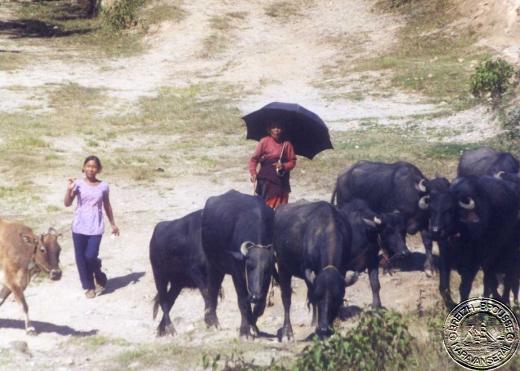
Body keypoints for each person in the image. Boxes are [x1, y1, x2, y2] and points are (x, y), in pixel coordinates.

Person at [64, 155, 120, 298]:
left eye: (94, 166)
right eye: (88, 166)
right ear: (84, 167)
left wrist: (113, 223)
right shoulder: (77, 184)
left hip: (96, 227)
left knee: (90, 256)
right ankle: (88, 286)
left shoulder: (103, 186)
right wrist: (69, 190)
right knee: (80, 258)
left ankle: (99, 275)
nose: (91, 169)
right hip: (79, 226)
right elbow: (67, 203)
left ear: (98, 169)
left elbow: (107, 205)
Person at [248, 121, 297, 208]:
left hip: (281, 182)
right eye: (274, 127)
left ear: (282, 130)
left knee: (279, 210)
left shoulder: (287, 144)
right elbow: (254, 159)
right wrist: (253, 173)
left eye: (279, 127)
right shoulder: (264, 141)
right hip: (265, 181)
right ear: (269, 129)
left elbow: (292, 162)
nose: (276, 130)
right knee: (263, 208)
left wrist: (283, 166)